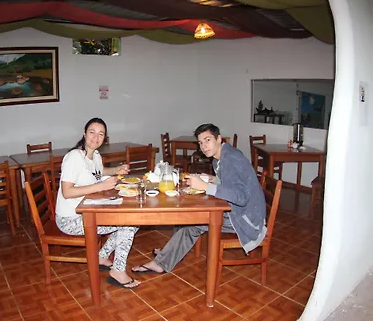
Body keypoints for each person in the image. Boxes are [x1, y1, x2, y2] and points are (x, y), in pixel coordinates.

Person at [132, 123, 267, 274]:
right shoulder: (220, 157)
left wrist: (205, 186)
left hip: (247, 219)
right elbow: (232, 183)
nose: (204, 146)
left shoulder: (231, 159)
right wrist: (213, 179)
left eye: (207, 140)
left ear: (219, 139)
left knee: (192, 223)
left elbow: (241, 197)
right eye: (200, 143)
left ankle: (161, 264)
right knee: (184, 215)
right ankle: (169, 252)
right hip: (238, 210)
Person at [55, 117, 140, 289]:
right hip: (70, 219)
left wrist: (116, 170)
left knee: (131, 220)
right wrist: (100, 186)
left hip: (88, 210)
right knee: (129, 223)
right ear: (84, 134)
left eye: (101, 134)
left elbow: (98, 172)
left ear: (105, 138)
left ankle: (102, 256)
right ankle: (118, 271)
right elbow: (67, 192)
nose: (96, 137)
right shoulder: (74, 157)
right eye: (92, 132)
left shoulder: (95, 156)